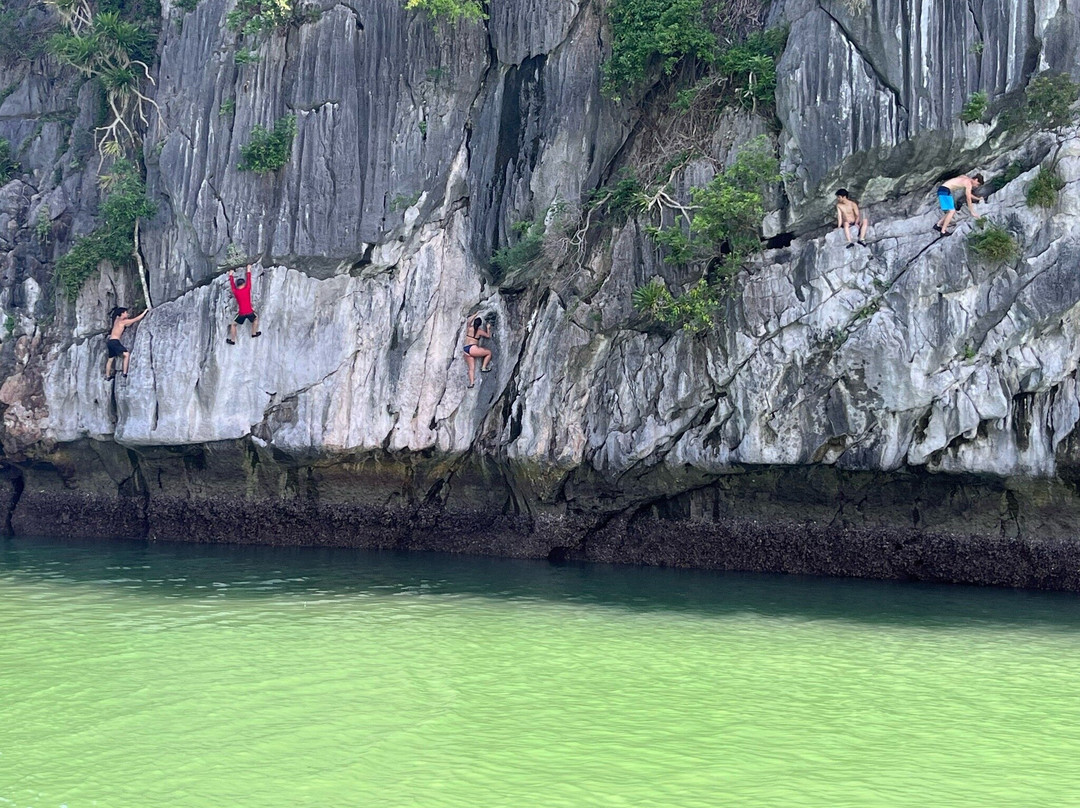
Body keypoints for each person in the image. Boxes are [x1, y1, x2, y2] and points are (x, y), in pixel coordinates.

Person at [105, 306, 147, 379]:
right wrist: (145, 311)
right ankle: (124, 373)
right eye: (126, 313)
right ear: (122, 313)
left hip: (110, 341)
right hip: (115, 342)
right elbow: (136, 319)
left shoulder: (117, 320)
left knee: (110, 359)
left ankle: (108, 376)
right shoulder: (123, 322)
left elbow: (127, 323)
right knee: (127, 355)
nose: (127, 314)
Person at [227, 263, 261, 344]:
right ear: (243, 284)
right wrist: (248, 269)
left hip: (241, 313)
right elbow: (249, 279)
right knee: (256, 319)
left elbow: (232, 285)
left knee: (233, 325)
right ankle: (254, 333)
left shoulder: (235, 292)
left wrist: (230, 275)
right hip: (249, 312)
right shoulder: (247, 288)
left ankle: (232, 340)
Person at [462, 313, 492, 388]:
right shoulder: (479, 331)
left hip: (466, 350)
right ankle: (484, 367)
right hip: (473, 349)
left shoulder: (469, 328)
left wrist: (475, 314)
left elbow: (468, 321)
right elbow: (488, 336)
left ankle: (471, 383)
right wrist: (488, 328)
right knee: (488, 353)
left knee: (471, 368)